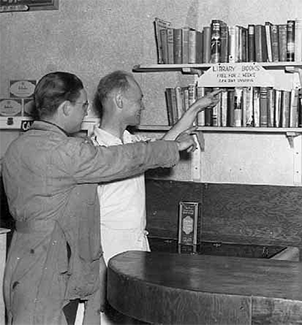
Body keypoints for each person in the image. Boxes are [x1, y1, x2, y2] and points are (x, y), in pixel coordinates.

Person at [1, 71, 218, 325]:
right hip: (52, 263)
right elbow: (119, 159)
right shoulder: (68, 151)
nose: (85, 113)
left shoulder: (17, 147)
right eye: (82, 106)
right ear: (65, 108)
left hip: (22, 261)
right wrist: (174, 147)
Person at [90, 70, 221, 323]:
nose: (143, 104)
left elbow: (159, 148)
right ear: (119, 101)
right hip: (108, 254)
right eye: (138, 99)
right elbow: (154, 152)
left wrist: (195, 108)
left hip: (135, 250)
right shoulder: (96, 151)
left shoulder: (129, 141)